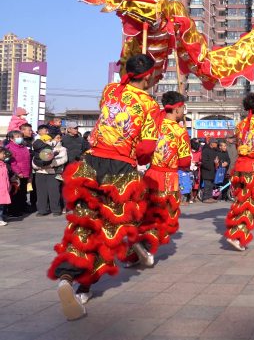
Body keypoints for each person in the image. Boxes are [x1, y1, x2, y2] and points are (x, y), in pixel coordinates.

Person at [47, 54, 161, 321]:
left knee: (84, 223)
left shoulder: (111, 90)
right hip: (119, 168)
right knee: (109, 229)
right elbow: (145, 149)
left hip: (91, 161)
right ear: (148, 76)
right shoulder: (149, 105)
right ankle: (84, 286)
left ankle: (69, 277)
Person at [135, 91, 191, 267]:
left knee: (145, 214)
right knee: (164, 217)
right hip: (168, 178)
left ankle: (132, 254)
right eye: (183, 108)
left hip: (150, 175)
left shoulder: (154, 125)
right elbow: (185, 161)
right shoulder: (179, 131)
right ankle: (147, 248)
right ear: (177, 109)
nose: (184, 111)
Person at [225, 92, 254, 251]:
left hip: (239, 167)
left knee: (240, 201)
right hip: (253, 168)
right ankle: (237, 235)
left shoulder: (240, 125)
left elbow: (239, 147)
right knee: (250, 203)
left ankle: (234, 231)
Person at [33, 133, 67, 216]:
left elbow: (63, 160)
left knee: (54, 192)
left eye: (58, 138)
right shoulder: (39, 149)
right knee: (41, 192)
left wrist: (50, 165)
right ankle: (42, 210)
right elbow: (34, 161)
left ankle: (56, 210)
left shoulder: (62, 149)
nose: (57, 140)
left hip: (53, 173)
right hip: (40, 173)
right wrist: (38, 167)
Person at [6, 130, 30, 217]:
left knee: (23, 192)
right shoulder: (9, 148)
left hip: (25, 172)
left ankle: (21, 208)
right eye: (17, 136)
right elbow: (12, 162)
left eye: (20, 136)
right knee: (15, 193)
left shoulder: (23, 147)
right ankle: (13, 211)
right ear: (11, 139)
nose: (20, 138)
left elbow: (27, 160)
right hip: (16, 174)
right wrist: (18, 172)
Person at [200, 139, 219, 203]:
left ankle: (210, 197)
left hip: (213, 170)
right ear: (211, 143)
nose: (216, 144)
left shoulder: (214, 150)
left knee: (211, 185)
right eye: (215, 143)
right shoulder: (205, 150)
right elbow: (204, 162)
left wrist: (217, 162)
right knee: (207, 185)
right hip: (207, 171)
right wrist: (212, 163)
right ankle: (205, 198)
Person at [0, 147, 11, 226]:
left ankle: (1, 217)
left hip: (3, 187)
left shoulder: (3, 164)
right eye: (3, 153)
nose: (4, 155)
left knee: (2, 204)